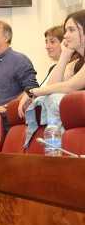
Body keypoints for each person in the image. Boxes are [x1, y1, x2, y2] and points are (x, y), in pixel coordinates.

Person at [18, 11, 85, 142]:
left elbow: (71, 86)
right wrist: (65, 54)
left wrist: (32, 91)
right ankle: (56, 148)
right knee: (53, 97)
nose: (66, 36)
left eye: (71, 30)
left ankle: (57, 149)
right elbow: (53, 85)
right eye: (66, 30)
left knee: (55, 98)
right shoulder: (78, 62)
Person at [0, 20, 38, 133]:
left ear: (6, 38)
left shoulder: (20, 60)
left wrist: (5, 107)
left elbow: (31, 90)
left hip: (14, 125)